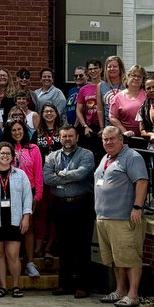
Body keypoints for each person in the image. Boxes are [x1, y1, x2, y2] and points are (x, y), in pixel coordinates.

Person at [93, 126, 149, 307]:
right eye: (105, 139)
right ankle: (120, 290)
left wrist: (137, 207)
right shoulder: (106, 158)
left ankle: (133, 294)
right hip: (104, 217)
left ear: (121, 140)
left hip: (124, 218)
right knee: (116, 259)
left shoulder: (132, 157)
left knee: (130, 257)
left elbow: (141, 181)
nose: (108, 142)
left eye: (112, 139)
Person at [44, 125, 96, 297]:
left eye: (70, 136)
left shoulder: (86, 154)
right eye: (64, 136)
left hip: (81, 204)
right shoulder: (52, 157)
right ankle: (64, 285)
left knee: (82, 246)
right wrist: (66, 176)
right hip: (60, 205)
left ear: (77, 137)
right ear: (60, 138)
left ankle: (82, 286)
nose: (67, 139)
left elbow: (82, 173)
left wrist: (60, 175)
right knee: (64, 246)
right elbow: (47, 178)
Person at [0, 142, 34, 298]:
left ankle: (16, 286)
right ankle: (3, 286)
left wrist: (26, 217)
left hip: (15, 220)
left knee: (12, 254)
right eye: (2, 153)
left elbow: (27, 197)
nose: (5, 156)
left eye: (8, 154)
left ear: (12, 156)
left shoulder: (21, 174)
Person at [4, 119, 43, 277]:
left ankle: (29, 262)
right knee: (8, 227)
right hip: (8, 191)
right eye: (13, 130)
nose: (17, 133)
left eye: (19, 129)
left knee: (28, 228)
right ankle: (4, 262)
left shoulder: (33, 148)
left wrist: (38, 195)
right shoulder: (5, 149)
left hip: (29, 192)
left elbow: (38, 173)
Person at [108, 65, 148, 148]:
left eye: (139, 76)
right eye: (133, 75)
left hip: (146, 138)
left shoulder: (147, 95)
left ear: (142, 80)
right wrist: (124, 131)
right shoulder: (118, 97)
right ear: (127, 77)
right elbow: (112, 116)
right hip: (126, 139)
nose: (136, 78)